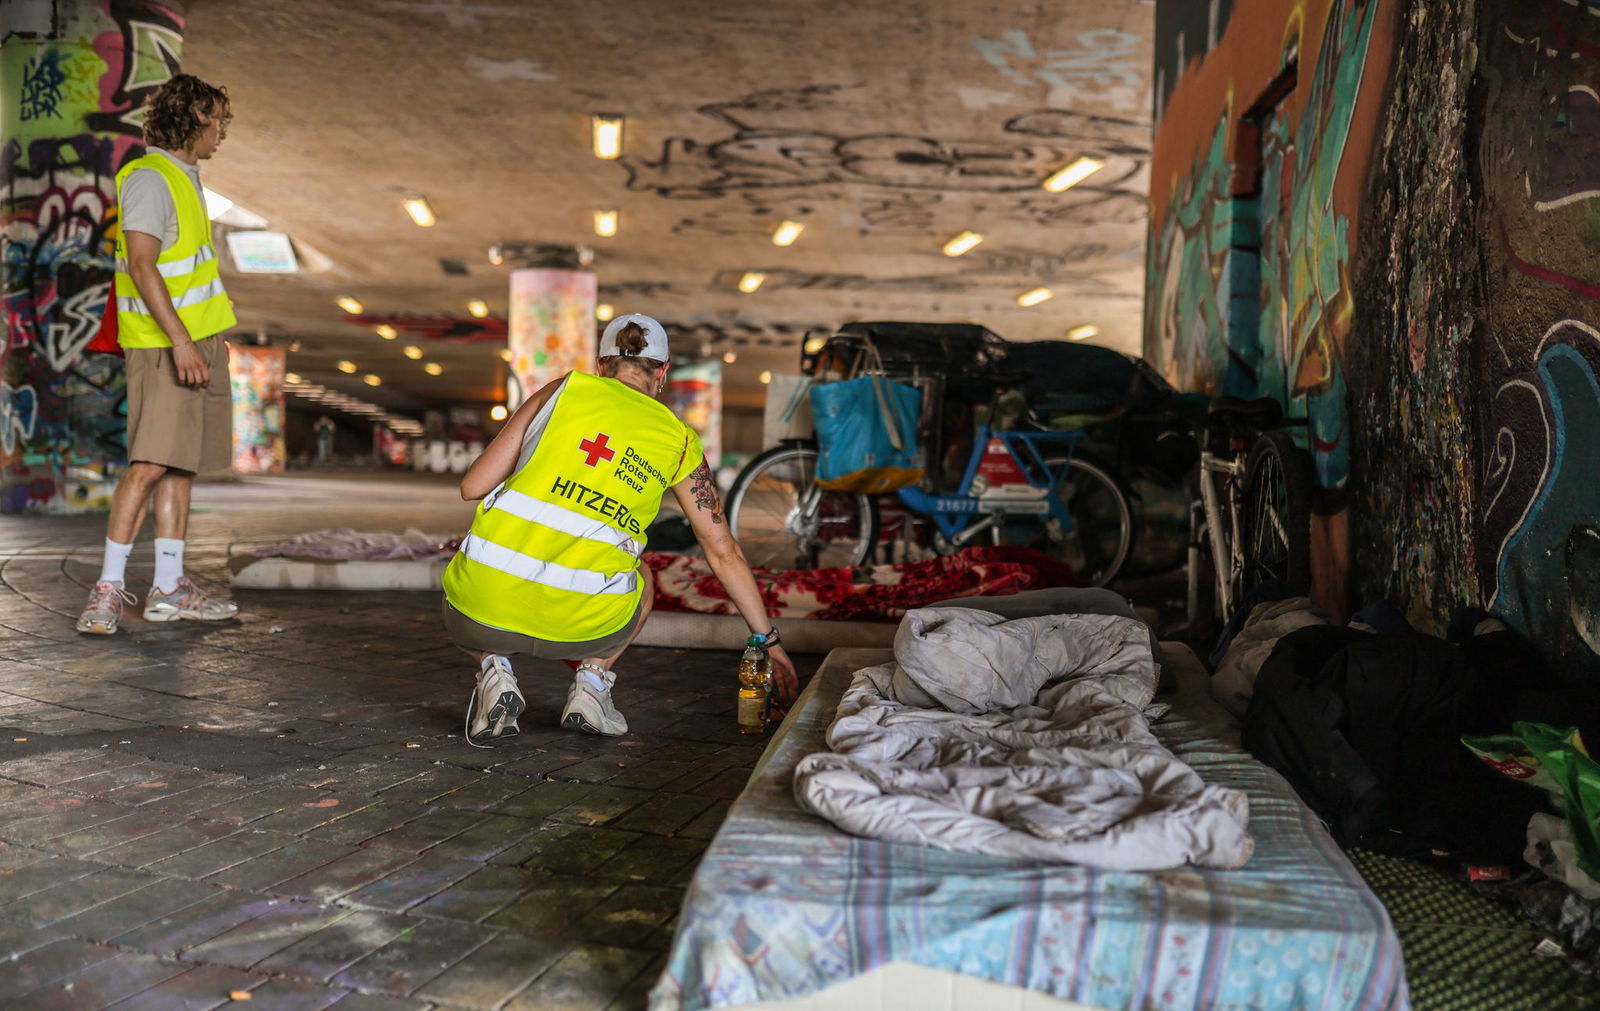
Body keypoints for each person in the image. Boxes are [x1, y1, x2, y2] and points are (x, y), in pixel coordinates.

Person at [442, 313, 797, 746]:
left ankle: (495, 671)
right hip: (587, 627)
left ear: (599, 365)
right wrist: (768, 642)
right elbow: (722, 550)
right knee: (642, 573)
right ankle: (590, 688)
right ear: (663, 372)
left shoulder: (564, 389)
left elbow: (472, 486)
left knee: (478, 562)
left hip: (480, 614)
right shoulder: (679, 439)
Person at [76, 74, 239, 634]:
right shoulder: (150, 177)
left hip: (196, 341)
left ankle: (169, 588)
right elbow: (143, 265)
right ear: (193, 115)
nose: (221, 131)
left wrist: (205, 339)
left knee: (179, 465)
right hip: (166, 345)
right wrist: (183, 342)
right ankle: (107, 591)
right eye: (216, 118)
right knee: (148, 464)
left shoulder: (185, 177)